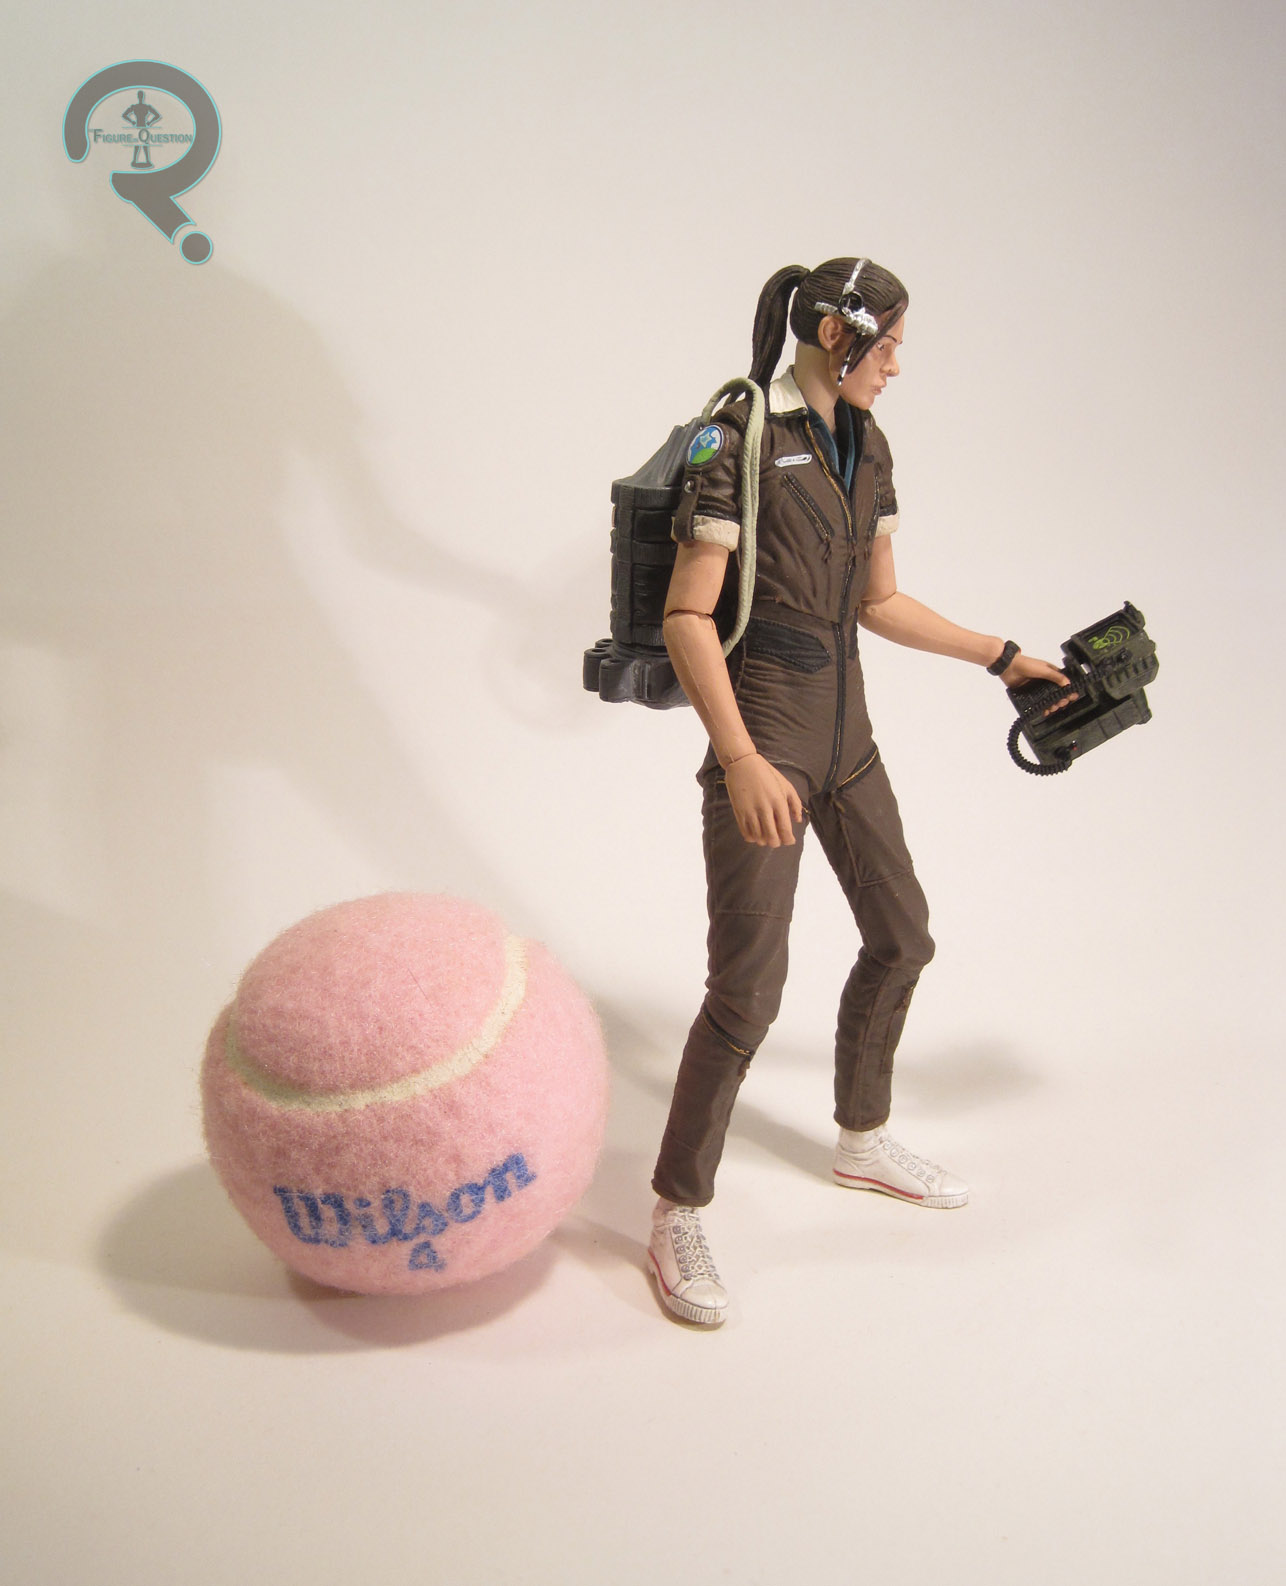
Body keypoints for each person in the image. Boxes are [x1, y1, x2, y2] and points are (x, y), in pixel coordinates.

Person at [646, 258, 1067, 1326]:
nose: (895, 366)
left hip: (847, 732)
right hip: (767, 728)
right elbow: (686, 617)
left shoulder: (867, 444)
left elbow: (878, 600)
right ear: (837, 335)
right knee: (746, 991)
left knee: (902, 936)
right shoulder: (738, 436)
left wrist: (999, 655)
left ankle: (861, 1136)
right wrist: (739, 757)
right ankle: (675, 1207)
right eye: (887, 346)